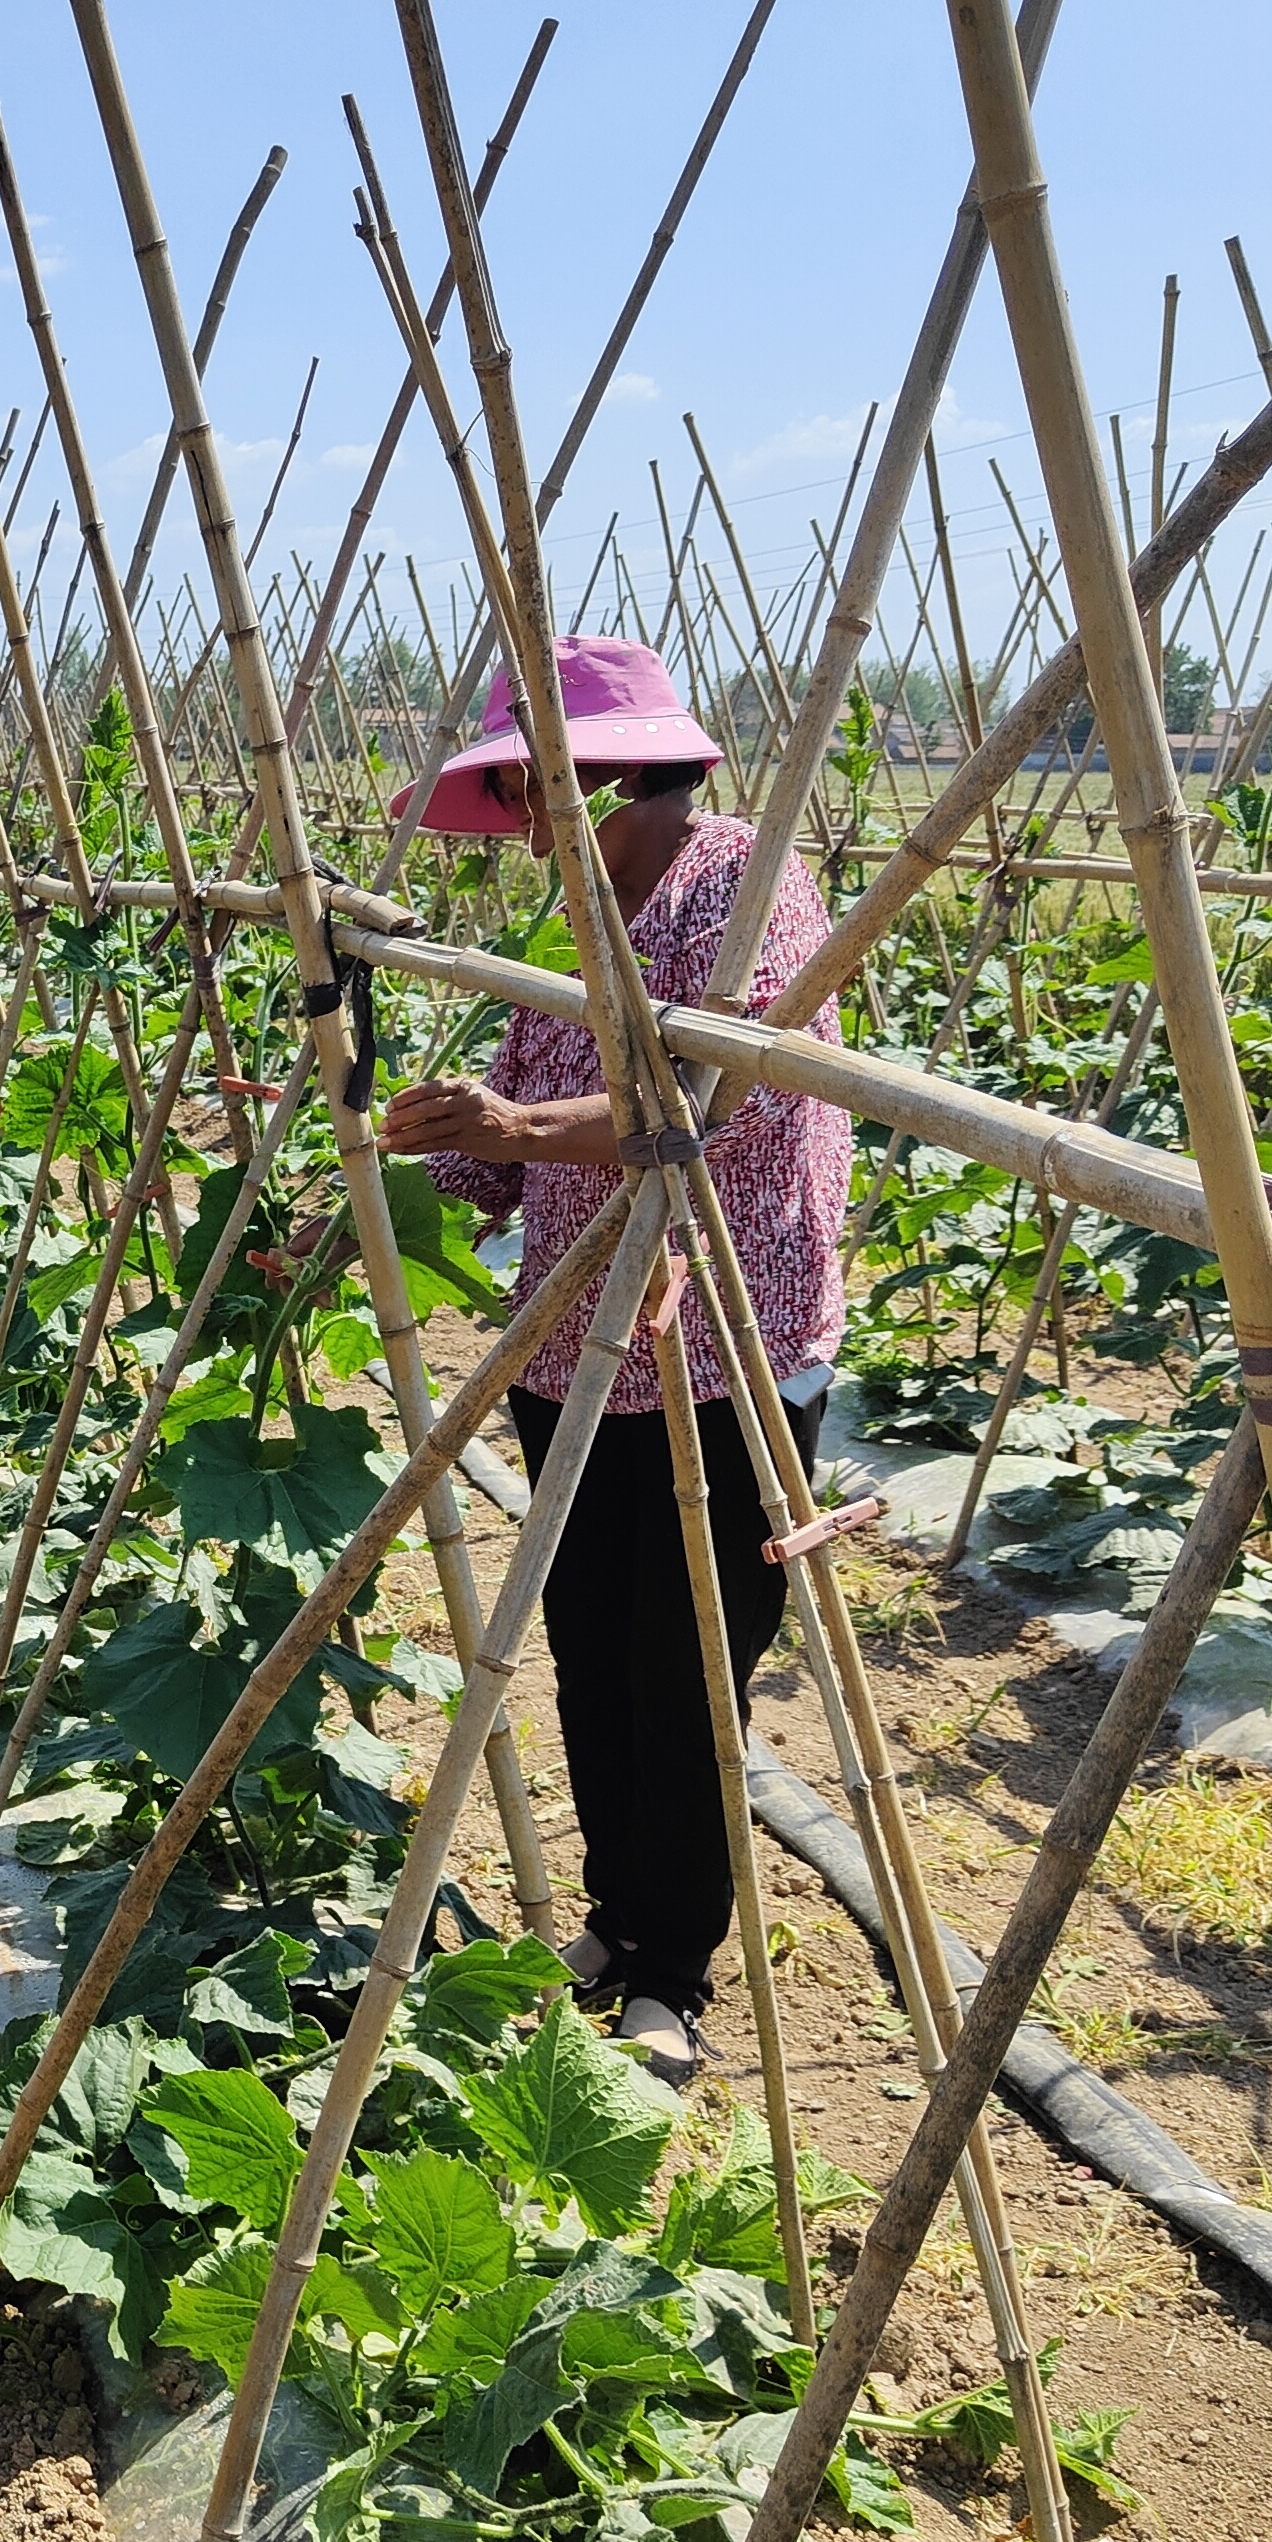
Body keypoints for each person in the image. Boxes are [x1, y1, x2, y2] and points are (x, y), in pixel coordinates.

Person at [379, 636, 848, 2087]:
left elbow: (712, 1098)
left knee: (692, 1670)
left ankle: (676, 1972)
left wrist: (510, 1130)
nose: (517, 819)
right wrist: (397, 1149)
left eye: (527, 787)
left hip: (729, 1355)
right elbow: (497, 1169)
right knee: (588, 1655)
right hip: (577, 1348)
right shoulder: (571, 933)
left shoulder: (747, 892)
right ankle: (614, 1920)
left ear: (611, 778)